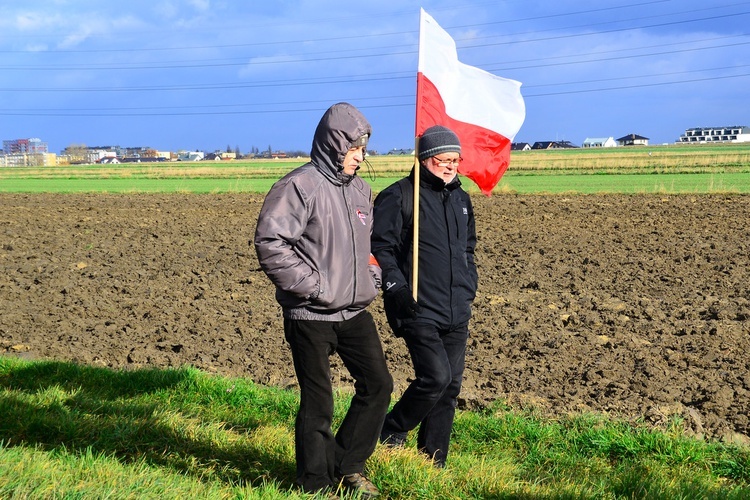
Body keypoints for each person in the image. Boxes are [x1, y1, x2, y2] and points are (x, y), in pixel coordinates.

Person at [254, 102, 392, 498]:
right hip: (310, 314)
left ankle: (346, 466)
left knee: (378, 385)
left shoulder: (362, 192)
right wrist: (313, 286)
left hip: (354, 311)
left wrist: (371, 276)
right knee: (319, 401)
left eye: (363, 150)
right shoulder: (298, 187)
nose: (361, 159)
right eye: (354, 150)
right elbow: (271, 242)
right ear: (335, 145)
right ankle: (314, 484)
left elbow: (367, 248)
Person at [371, 125, 478, 468]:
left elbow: (469, 248)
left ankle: (434, 460)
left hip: (456, 308)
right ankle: (391, 429)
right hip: (416, 305)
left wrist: (469, 282)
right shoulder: (399, 195)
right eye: (444, 160)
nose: (451, 166)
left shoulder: (461, 199)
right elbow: (379, 249)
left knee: (450, 388)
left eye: (455, 160)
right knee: (435, 377)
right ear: (425, 159)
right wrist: (396, 287)